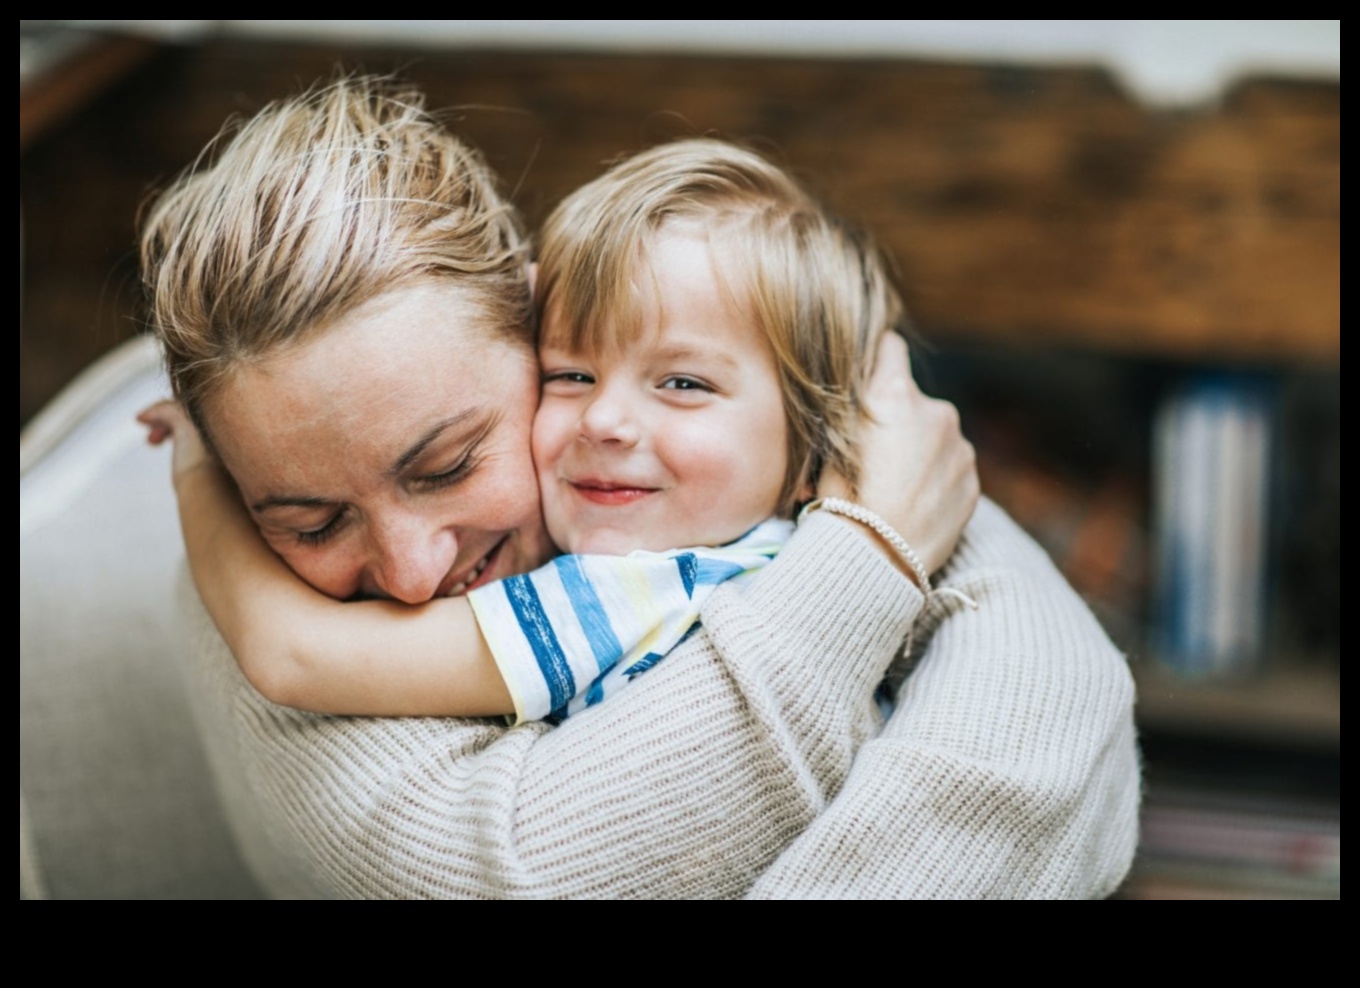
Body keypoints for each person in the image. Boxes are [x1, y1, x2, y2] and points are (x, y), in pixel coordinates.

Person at [141, 75, 1140, 898]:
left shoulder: (640, 569)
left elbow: (1058, 694)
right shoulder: (249, 582)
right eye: (310, 521)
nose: (408, 577)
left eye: (447, 465)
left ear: (537, 312)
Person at [142, 137, 977, 726]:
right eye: (572, 375)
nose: (410, 579)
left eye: (683, 384)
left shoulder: (633, 593)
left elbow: (292, 656)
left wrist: (194, 469)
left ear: (818, 446)